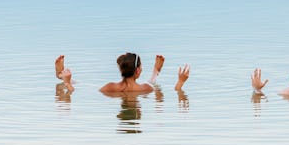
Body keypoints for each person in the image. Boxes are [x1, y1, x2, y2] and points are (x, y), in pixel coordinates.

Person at [54, 53, 190, 95]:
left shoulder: (109, 88)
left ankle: (63, 76)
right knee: (152, 82)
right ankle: (156, 72)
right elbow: (174, 93)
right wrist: (180, 82)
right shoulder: (146, 88)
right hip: (142, 89)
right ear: (138, 71)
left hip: (114, 90)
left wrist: (67, 83)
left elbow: (78, 90)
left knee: (83, 84)